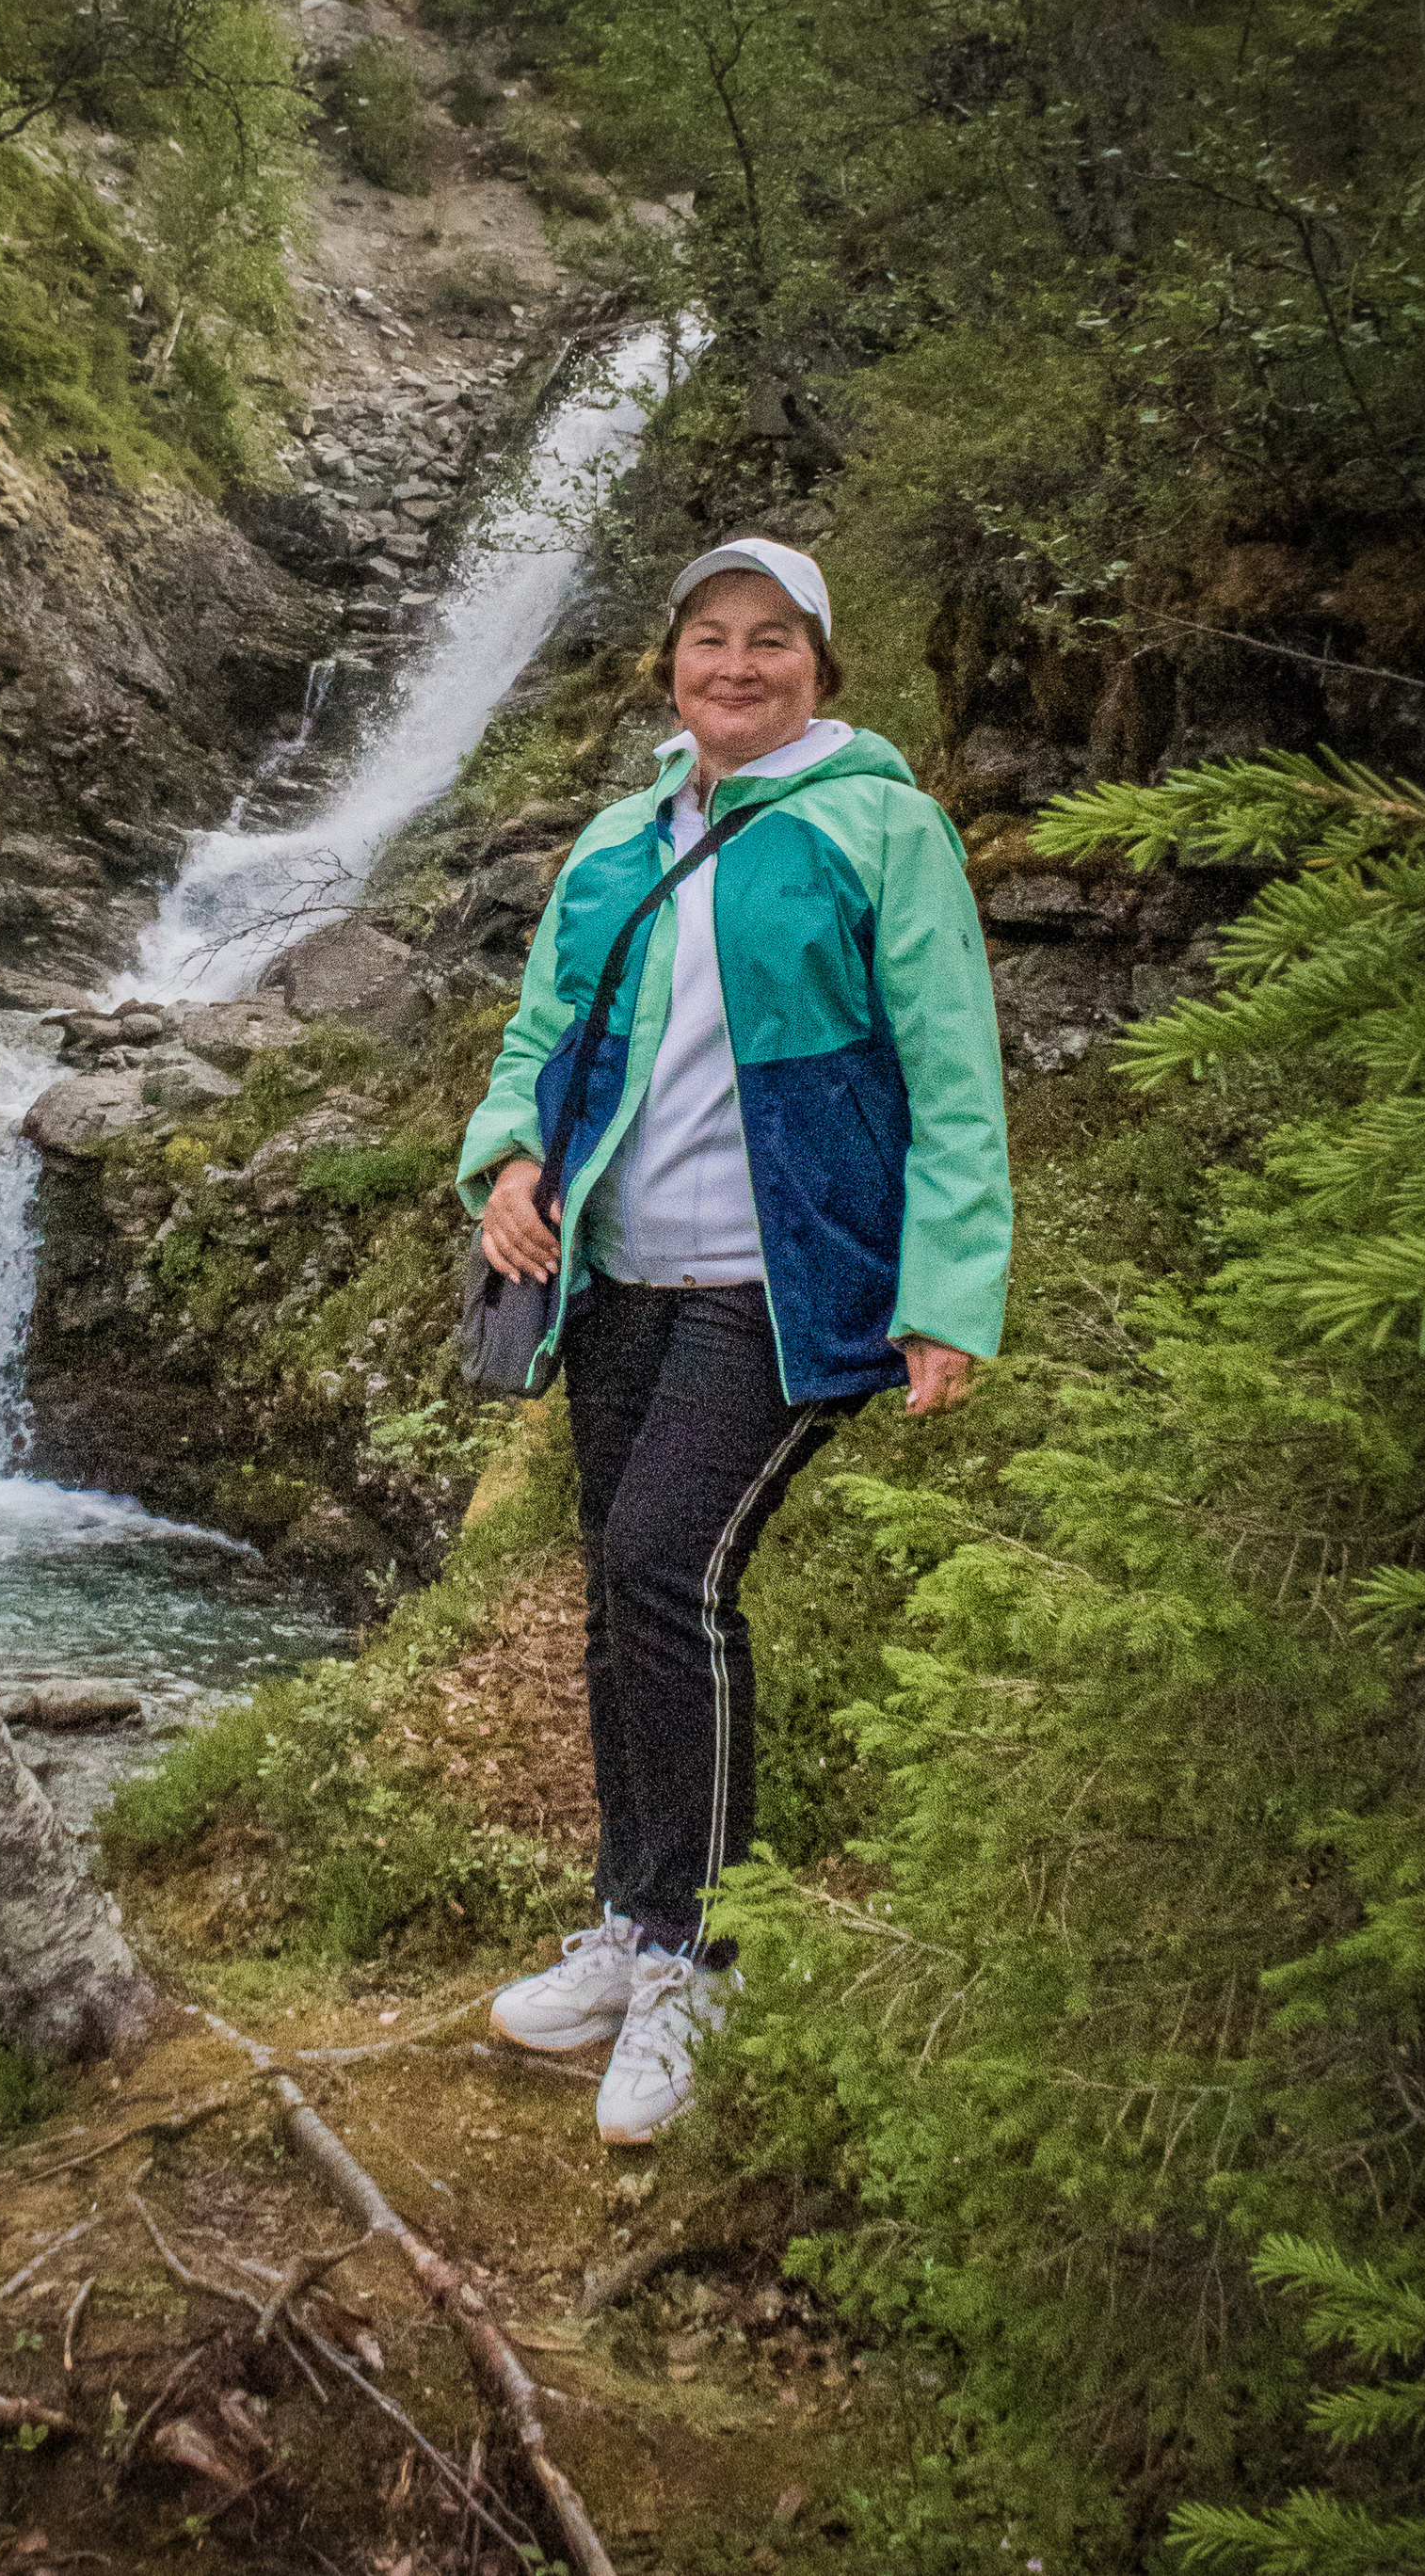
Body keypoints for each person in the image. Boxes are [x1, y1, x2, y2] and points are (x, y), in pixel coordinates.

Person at [457, 536, 1010, 2142]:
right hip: (611, 1271)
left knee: (663, 1569)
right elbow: (544, 1028)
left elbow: (953, 1068)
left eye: (774, 640)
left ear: (822, 667)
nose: (738, 665)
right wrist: (507, 1155)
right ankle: (631, 1925)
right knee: (617, 1595)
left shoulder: (880, 828)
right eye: (711, 638)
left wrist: (945, 1292)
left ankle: (703, 1955)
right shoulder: (625, 837)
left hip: (780, 1283)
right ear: (674, 664)